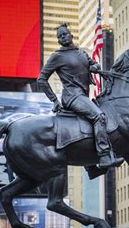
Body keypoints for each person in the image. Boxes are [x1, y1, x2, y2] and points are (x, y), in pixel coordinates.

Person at [37, 24, 123, 169]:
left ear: (71, 35)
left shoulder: (81, 53)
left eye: (64, 34)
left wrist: (95, 66)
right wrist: (54, 100)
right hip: (72, 97)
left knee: (88, 125)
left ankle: (90, 167)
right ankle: (104, 157)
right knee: (99, 117)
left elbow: (92, 64)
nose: (62, 38)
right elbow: (41, 79)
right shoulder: (57, 56)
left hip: (82, 96)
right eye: (59, 36)